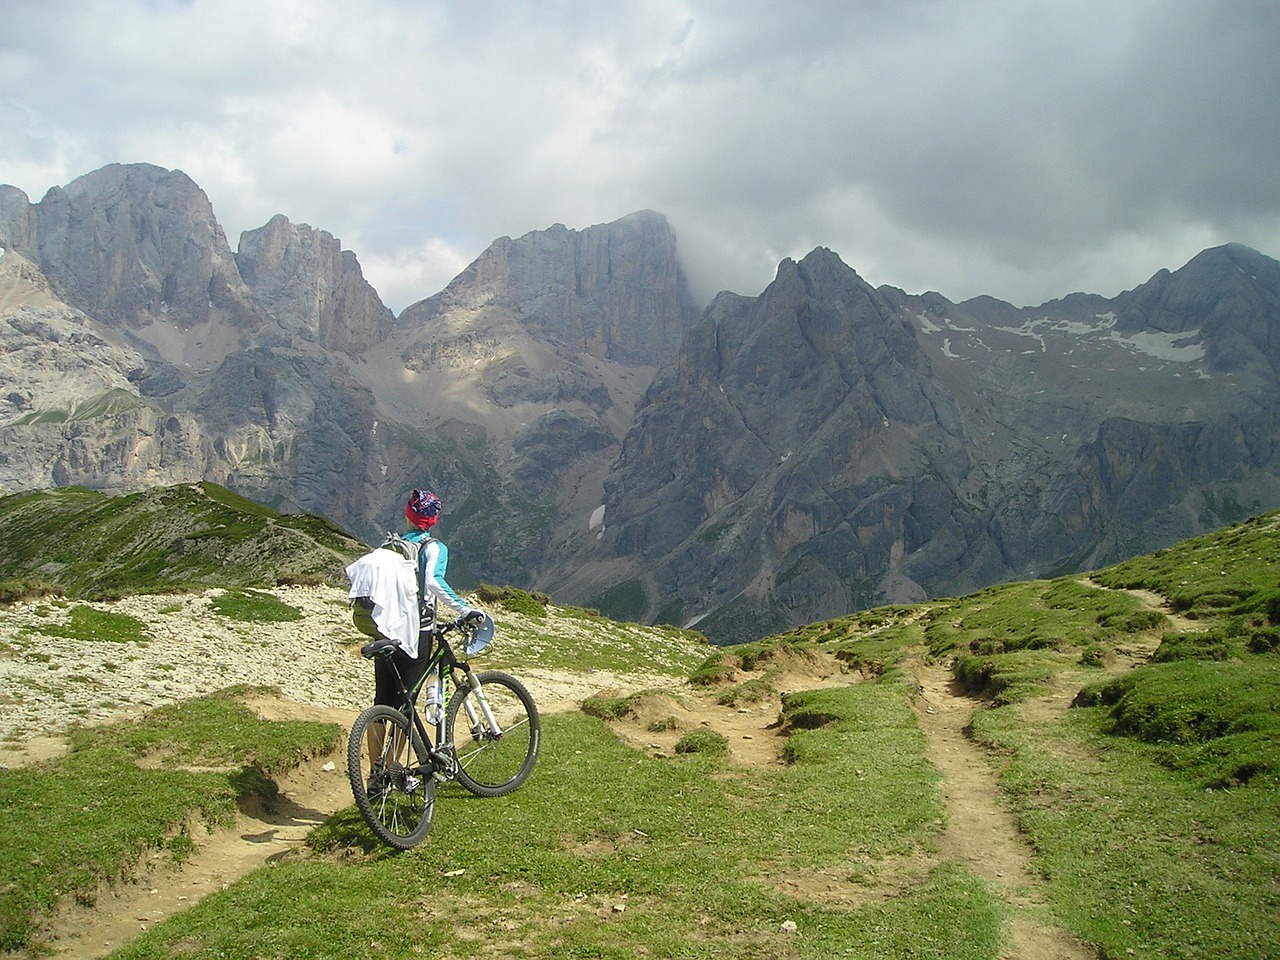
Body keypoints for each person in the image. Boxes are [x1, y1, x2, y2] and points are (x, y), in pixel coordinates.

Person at [371, 489, 484, 711]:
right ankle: (398, 746)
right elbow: (433, 581)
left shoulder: (390, 545)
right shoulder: (434, 548)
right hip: (416, 632)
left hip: (385, 627)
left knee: (381, 701)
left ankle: (368, 745)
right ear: (433, 520)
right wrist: (464, 610)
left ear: (408, 516)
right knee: (405, 703)